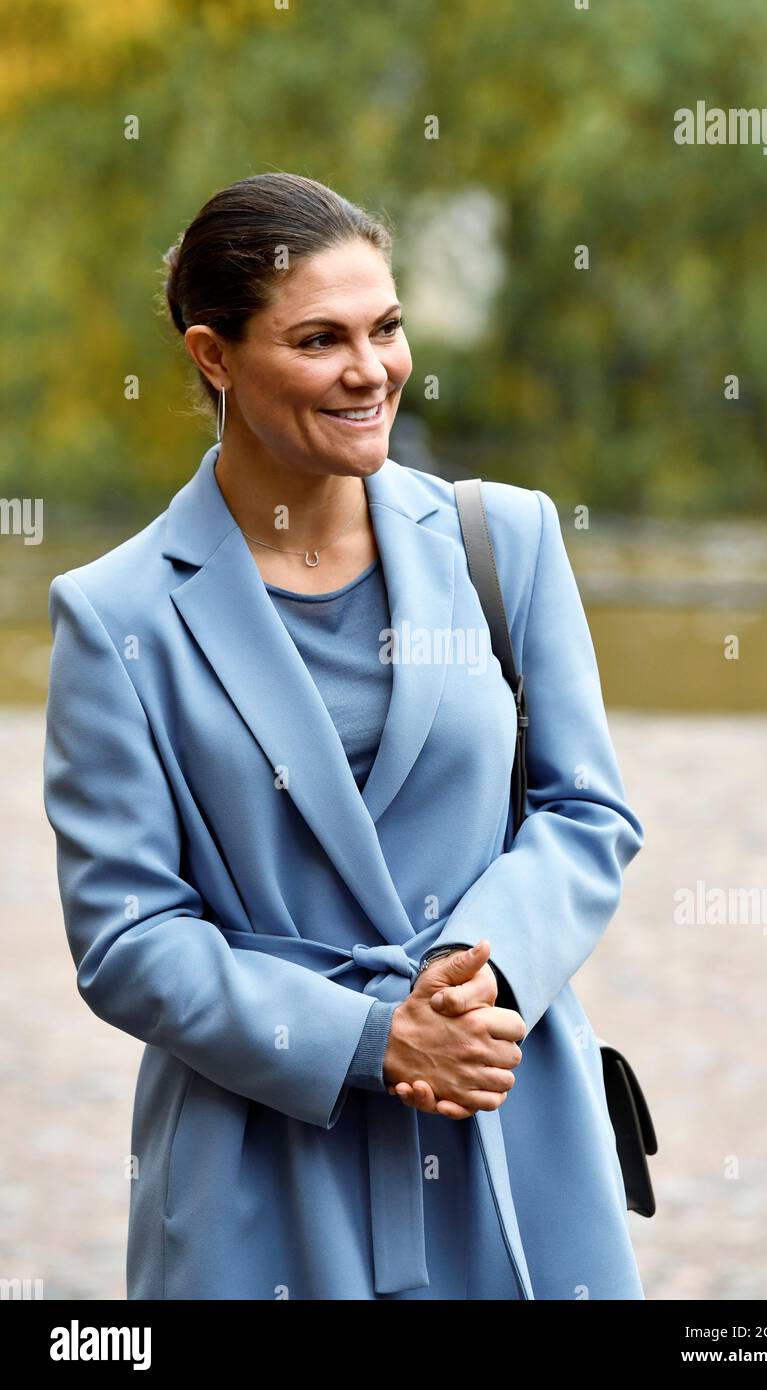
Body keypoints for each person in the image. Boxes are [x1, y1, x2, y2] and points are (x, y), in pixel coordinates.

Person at [43, 171, 646, 1300]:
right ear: (213, 356)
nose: (370, 371)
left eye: (385, 327)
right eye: (320, 339)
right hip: (261, 1152)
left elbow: (586, 812)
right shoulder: (115, 613)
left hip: (499, 1108)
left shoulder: (502, 539)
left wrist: (477, 977)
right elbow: (126, 935)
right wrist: (372, 1042)